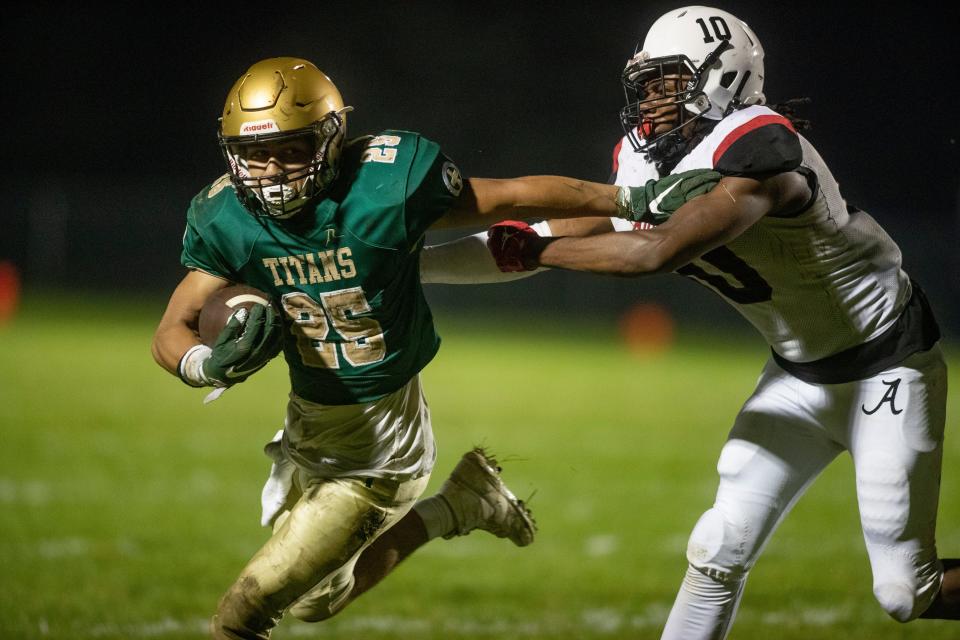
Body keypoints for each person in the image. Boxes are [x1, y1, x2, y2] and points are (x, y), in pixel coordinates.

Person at [478, 5, 958, 638]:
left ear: (723, 78)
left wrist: (532, 250)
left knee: (905, 591)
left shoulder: (761, 149)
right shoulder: (654, 160)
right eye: (645, 83)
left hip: (887, 365)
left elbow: (655, 250)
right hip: (796, 375)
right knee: (717, 548)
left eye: (667, 82)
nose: (650, 100)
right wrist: (424, 262)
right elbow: (596, 221)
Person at [150, 57, 626, 639]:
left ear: (329, 142)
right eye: (255, 154)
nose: (270, 170)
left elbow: (517, 197)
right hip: (309, 430)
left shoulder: (383, 188)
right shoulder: (227, 216)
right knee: (317, 601)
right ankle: (460, 504)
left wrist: (629, 199)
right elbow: (172, 327)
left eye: (291, 151)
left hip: (381, 450)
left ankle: (443, 502)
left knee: (241, 616)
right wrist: (204, 363)